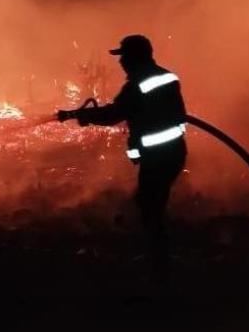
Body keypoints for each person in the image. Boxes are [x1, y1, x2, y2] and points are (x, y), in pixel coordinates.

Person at [58, 34, 187, 280]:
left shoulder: (138, 85)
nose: (121, 62)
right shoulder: (166, 76)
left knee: (149, 208)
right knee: (150, 204)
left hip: (158, 157)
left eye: (124, 56)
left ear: (135, 57)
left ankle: (160, 268)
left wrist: (83, 116)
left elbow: (115, 114)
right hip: (174, 153)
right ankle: (158, 257)